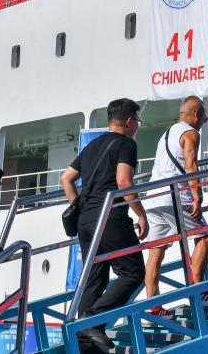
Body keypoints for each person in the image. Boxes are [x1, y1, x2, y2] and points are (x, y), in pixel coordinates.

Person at [61, 99, 148, 353]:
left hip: (86, 220)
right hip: (111, 216)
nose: (137, 126)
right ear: (129, 121)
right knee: (133, 273)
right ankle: (92, 320)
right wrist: (141, 214)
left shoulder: (93, 145)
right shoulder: (126, 144)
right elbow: (124, 181)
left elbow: (66, 179)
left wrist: (78, 205)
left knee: (94, 278)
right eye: (137, 121)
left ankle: (84, 340)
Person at [142, 96, 208, 320]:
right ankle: (197, 291)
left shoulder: (166, 134)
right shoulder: (190, 133)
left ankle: (153, 305)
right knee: (204, 237)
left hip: (153, 197)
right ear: (196, 114)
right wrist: (197, 196)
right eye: (204, 118)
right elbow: (191, 166)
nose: (204, 122)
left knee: (157, 250)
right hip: (175, 197)